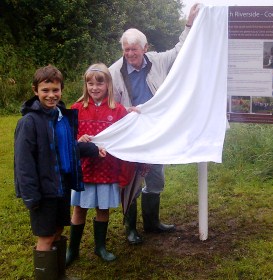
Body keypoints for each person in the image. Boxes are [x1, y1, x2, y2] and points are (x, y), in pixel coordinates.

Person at [109, 3, 200, 244]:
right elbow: (107, 104)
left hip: (156, 129)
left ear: (145, 48)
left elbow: (181, 50)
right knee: (130, 178)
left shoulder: (157, 61)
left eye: (134, 50)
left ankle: (152, 223)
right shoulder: (113, 72)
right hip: (130, 131)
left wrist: (189, 24)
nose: (130, 54)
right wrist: (124, 112)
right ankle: (130, 229)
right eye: (126, 49)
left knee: (156, 175)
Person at [14, 65, 105, 279]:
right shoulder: (29, 122)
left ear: (61, 89)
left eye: (56, 90)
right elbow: (23, 163)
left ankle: (59, 275)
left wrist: (92, 149)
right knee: (45, 237)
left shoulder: (61, 116)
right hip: (42, 192)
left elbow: (67, 146)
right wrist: (30, 195)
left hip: (61, 187)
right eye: (45, 90)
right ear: (35, 90)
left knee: (57, 231)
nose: (51, 95)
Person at [66, 63, 129, 266]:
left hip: (107, 169)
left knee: (103, 209)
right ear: (85, 85)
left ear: (108, 84)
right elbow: (67, 137)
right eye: (90, 84)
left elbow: (127, 135)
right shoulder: (76, 109)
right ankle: (72, 250)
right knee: (79, 209)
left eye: (99, 83)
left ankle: (100, 247)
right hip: (83, 169)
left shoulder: (118, 110)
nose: (94, 88)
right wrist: (78, 138)